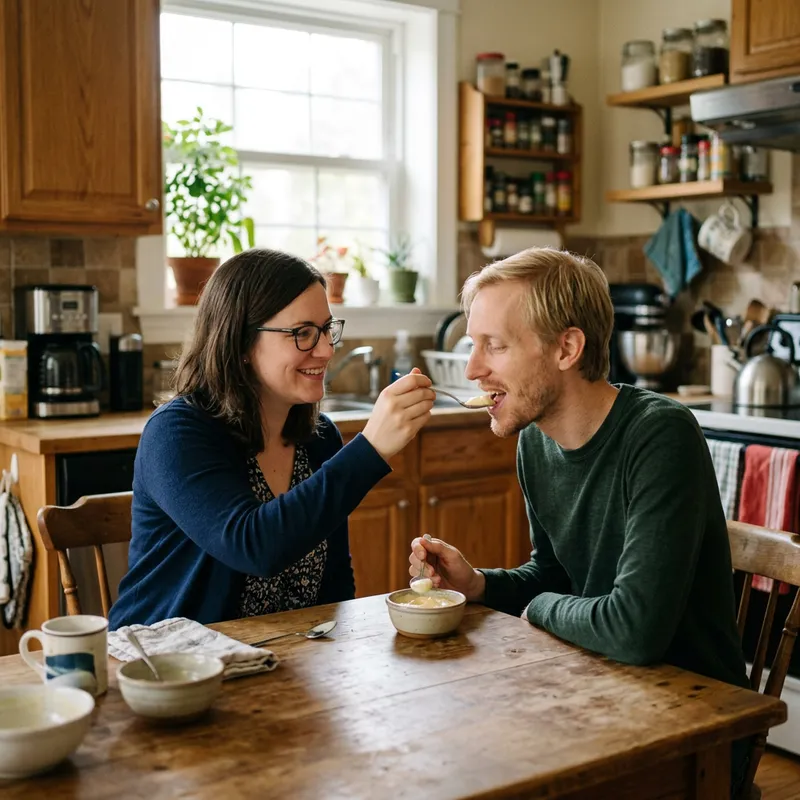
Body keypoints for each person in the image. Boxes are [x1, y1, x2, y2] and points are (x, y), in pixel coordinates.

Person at [408, 247, 751, 796]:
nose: (473, 368)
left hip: (692, 731)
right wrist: (478, 585)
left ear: (567, 347)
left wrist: (533, 609)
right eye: (474, 345)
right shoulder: (535, 444)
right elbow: (556, 575)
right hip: (601, 695)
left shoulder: (660, 436)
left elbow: (633, 629)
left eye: (494, 345)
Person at [110, 248, 434, 629]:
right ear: (242, 342)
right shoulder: (176, 433)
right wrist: (370, 449)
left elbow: (334, 584)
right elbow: (252, 545)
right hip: (163, 667)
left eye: (327, 329)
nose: (326, 349)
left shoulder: (319, 436)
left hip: (281, 661)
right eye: (303, 333)